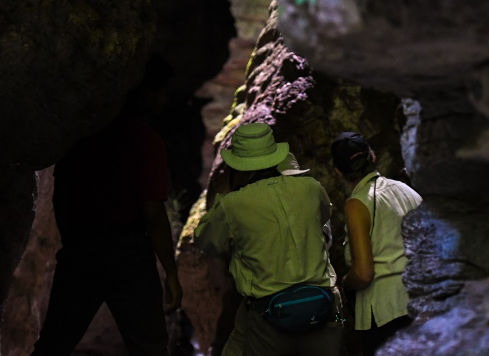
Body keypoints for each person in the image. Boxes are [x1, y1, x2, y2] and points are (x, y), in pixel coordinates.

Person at [31, 54, 183, 356]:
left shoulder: (83, 136)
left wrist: (73, 241)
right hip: (128, 253)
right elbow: (153, 213)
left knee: (53, 345)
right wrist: (171, 273)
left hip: (81, 249)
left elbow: (61, 194)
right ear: (147, 94)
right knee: (150, 347)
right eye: (162, 93)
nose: (164, 101)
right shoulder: (147, 142)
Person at [194, 123, 344, 356]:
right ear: (276, 156)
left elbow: (206, 242)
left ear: (238, 165)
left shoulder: (232, 205)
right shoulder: (311, 188)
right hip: (324, 305)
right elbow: (324, 217)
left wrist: (224, 200)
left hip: (270, 315)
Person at [330, 132, 423, 356]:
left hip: (386, 314)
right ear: (373, 157)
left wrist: (345, 282)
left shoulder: (357, 204)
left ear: (338, 170)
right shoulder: (408, 192)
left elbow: (363, 274)